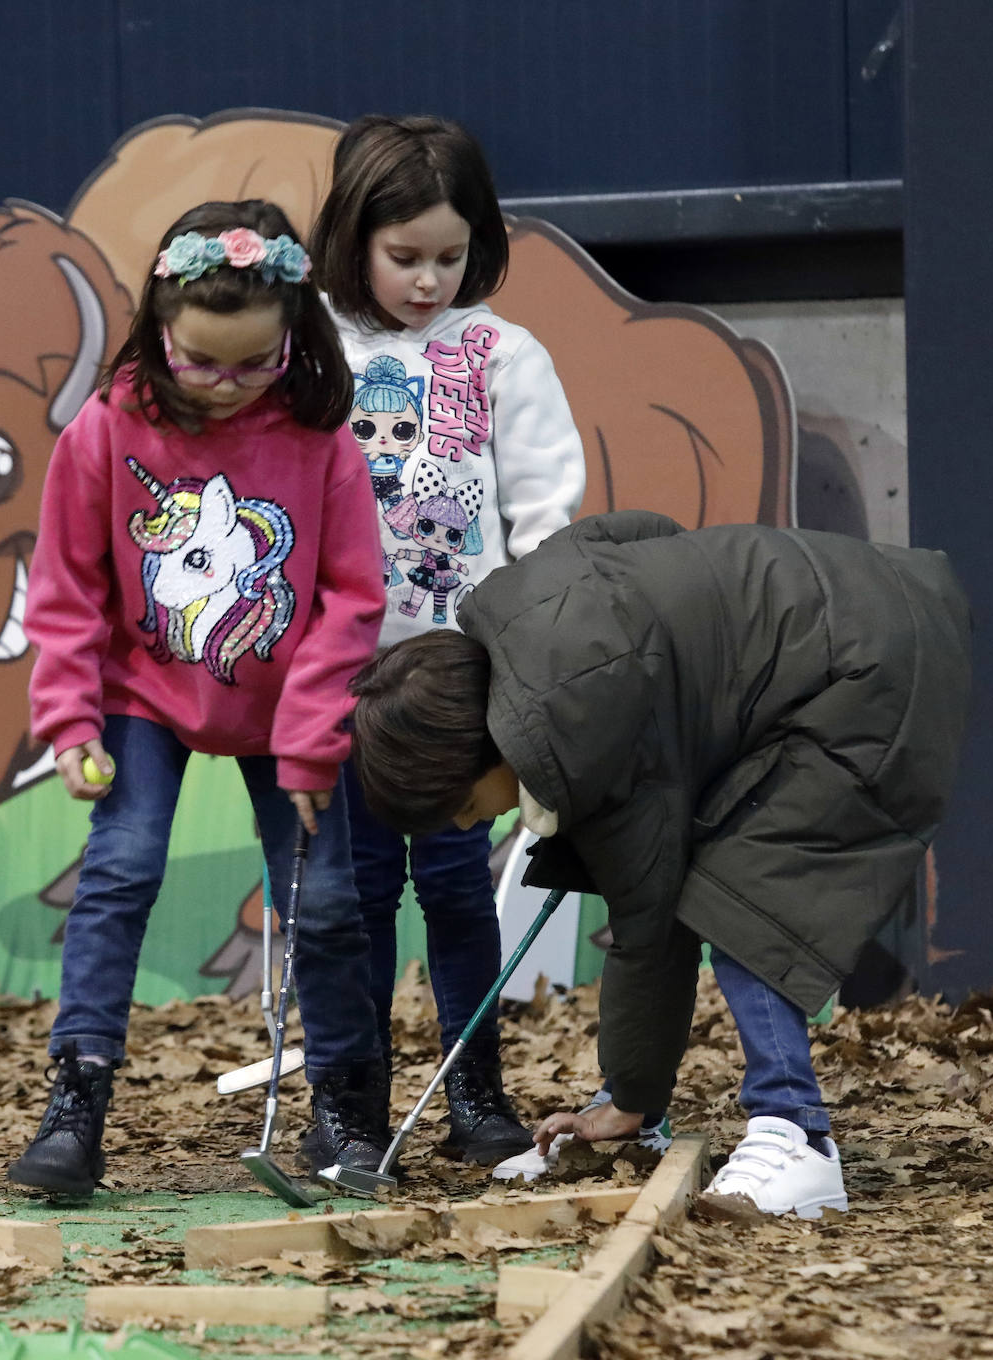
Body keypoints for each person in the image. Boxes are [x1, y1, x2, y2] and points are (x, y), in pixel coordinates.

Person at [348, 510, 972, 1217]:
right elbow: (638, 530)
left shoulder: (584, 724)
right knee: (725, 879)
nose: (469, 822)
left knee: (748, 899)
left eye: (459, 805)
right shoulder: (525, 624)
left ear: (472, 750)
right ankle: (668, 1115)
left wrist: (630, 1097)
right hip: (855, 611)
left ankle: (796, 1139)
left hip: (868, 668)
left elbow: (652, 933)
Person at [9, 200, 390, 1197]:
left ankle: (346, 1107)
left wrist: (312, 740)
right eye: (202, 361)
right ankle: (76, 1101)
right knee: (120, 869)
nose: (225, 386)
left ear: (294, 337)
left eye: (252, 364)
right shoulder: (108, 429)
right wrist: (70, 719)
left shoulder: (320, 441)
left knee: (333, 899)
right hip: (143, 694)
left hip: (286, 715)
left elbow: (352, 597)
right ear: (160, 328)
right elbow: (67, 588)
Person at [309, 115, 587, 1163]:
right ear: (352, 237)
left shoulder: (504, 355)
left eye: (451, 256)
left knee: (460, 889)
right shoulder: (312, 350)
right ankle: (349, 1105)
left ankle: (475, 1094)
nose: (429, 281)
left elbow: (545, 514)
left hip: (463, 690)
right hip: (340, 682)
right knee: (351, 900)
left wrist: (527, 662)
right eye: (404, 257)